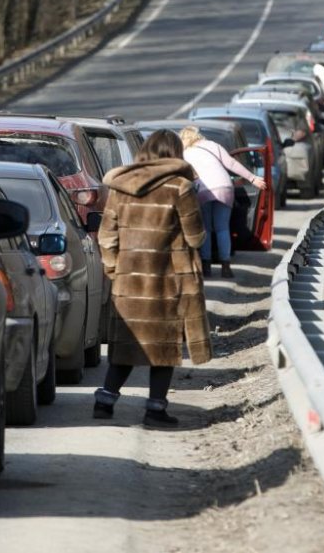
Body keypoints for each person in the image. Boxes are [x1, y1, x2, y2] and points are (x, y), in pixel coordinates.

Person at [95, 130, 210, 429]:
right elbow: (195, 237)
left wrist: (115, 272)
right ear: (175, 153)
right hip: (166, 281)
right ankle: (155, 410)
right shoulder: (180, 188)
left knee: (126, 346)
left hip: (128, 282)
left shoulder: (120, 188)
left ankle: (105, 401)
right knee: (163, 348)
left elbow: (106, 237)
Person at [179, 126, 266, 280]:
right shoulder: (213, 146)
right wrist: (253, 178)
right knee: (222, 228)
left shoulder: (184, 153)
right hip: (224, 186)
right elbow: (231, 164)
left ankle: (206, 267)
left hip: (203, 190)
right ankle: (226, 267)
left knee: (206, 228)